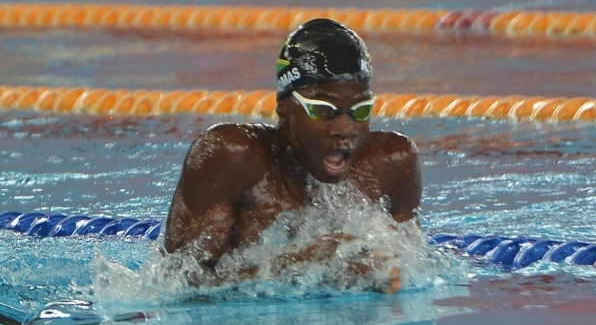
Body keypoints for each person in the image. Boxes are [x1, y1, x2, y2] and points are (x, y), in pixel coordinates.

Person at [164, 18, 422, 293]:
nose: (346, 129)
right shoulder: (231, 157)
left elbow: (416, 270)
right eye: (323, 109)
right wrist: (307, 261)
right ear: (284, 107)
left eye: (360, 110)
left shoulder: (393, 164)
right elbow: (180, 285)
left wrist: (383, 274)